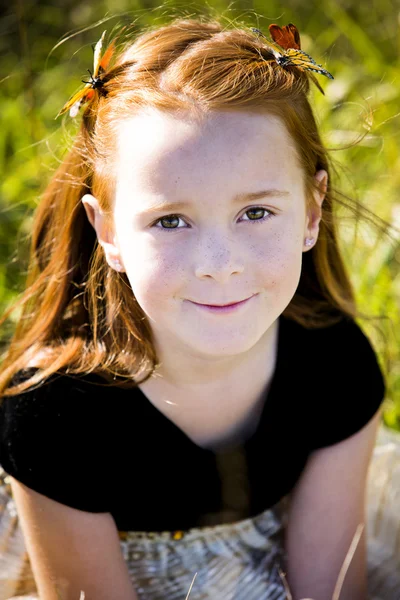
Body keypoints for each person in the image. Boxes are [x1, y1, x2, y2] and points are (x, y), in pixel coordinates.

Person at [0, 15, 395, 600]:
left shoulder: (333, 363)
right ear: (106, 231)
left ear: (311, 214)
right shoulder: (54, 415)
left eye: (256, 213)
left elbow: (329, 587)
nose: (218, 262)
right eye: (171, 220)